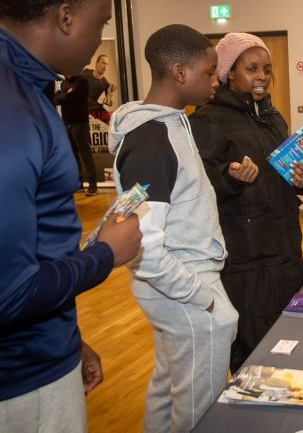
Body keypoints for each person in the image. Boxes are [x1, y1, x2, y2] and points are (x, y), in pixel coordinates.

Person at [0, 0, 141, 431]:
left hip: (42, 350)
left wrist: (69, 339)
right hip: (22, 381)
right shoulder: (12, 110)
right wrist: (105, 254)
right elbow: (9, 293)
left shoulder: (28, 88)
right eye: (100, 22)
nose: (98, 38)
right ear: (65, 17)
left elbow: (32, 250)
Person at [109, 24, 238, 432]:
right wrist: (204, 299)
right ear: (180, 72)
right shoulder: (151, 140)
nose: (216, 80)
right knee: (200, 411)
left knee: (168, 389)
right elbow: (142, 247)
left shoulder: (171, 125)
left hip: (180, 285)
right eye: (209, 71)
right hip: (183, 286)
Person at [189, 32, 303, 372]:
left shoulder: (273, 117)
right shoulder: (207, 119)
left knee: (291, 341)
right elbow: (197, 188)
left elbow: (286, 174)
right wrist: (230, 177)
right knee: (254, 353)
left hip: (286, 249)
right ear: (229, 72)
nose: (262, 76)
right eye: (252, 68)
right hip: (246, 258)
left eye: (267, 69)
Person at [55, 75, 99, 195]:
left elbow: (70, 97)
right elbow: (56, 99)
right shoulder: (64, 83)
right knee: (73, 156)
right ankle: (78, 184)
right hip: (67, 123)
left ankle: (93, 185)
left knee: (85, 155)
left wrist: (64, 95)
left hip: (80, 123)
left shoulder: (82, 81)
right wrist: (66, 94)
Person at [82, 53, 115, 123]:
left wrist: (109, 98)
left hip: (91, 107)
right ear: (97, 63)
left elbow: (108, 103)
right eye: (103, 63)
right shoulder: (86, 72)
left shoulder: (107, 84)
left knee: (110, 119)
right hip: (79, 102)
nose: (105, 66)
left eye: (107, 64)